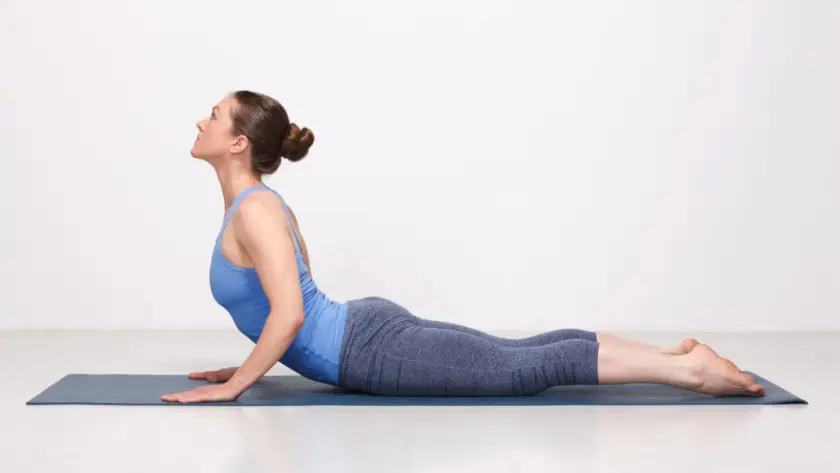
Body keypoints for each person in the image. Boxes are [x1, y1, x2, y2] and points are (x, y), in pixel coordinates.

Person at [161, 91, 765, 403]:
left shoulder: (258, 209)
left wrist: (237, 383)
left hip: (369, 351)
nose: (200, 122)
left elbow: (292, 312)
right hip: (364, 333)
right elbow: (292, 302)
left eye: (213, 115)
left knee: (523, 368)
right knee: (519, 354)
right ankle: (672, 355)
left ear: (238, 142)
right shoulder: (254, 207)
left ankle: (688, 371)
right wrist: (254, 363)